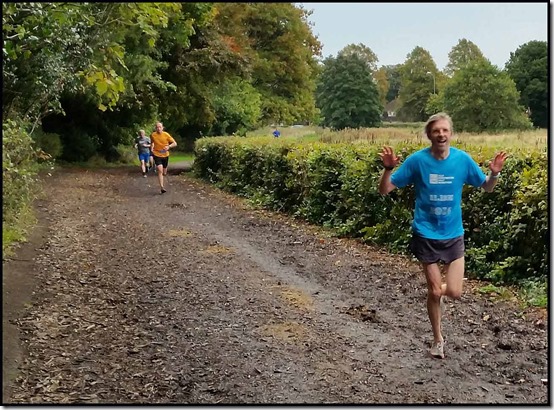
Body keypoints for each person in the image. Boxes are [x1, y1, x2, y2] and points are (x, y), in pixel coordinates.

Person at [377, 112, 508, 359]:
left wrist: (494, 174)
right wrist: (387, 169)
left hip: (453, 233)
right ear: (429, 135)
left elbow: (487, 188)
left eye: (445, 130)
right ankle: (438, 339)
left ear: (451, 133)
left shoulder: (462, 160)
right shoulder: (417, 161)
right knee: (436, 291)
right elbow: (385, 190)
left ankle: (434, 291)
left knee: (454, 292)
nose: (441, 134)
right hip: (425, 232)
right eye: (436, 131)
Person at [150, 121, 177, 194]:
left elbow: (175, 143)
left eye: (160, 127)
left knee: (164, 172)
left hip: (165, 155)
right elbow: (152, 142)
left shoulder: (166, 135)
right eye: (157, 127)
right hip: (157, 154)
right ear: (155, 128)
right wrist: (152, 147)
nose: (158, 128)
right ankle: (162, 187)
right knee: (160, 170)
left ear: (162, 128)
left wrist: (168, 146)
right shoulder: (153, 135)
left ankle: (164, 173)